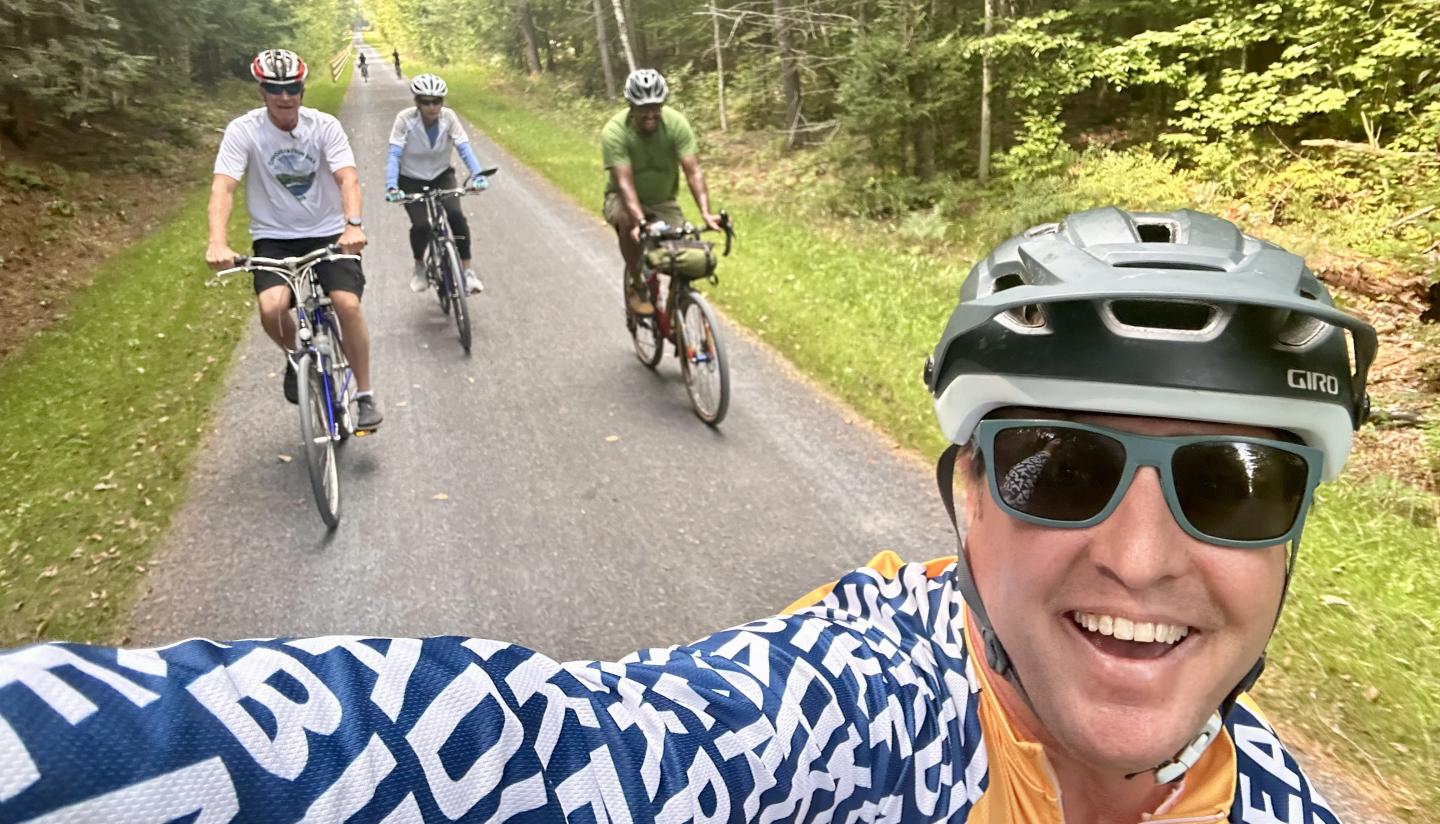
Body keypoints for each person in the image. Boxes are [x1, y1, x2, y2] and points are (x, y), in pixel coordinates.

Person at [0, 208, 1371, 821]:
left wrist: (701, 210)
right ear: (966, 495)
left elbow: (692, 170)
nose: (1140, 554)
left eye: (1233, 484)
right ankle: (641, 321)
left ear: (1298, 525)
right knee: (630, 261)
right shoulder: (850, 719)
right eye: (1059, 467)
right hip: (614, 205)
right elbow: (534, 753)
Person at [204, 48, 383, 432]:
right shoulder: (244, 131)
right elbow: (224, 187)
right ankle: (294, 358)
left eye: (292, 87)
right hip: (275, 238)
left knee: (346, 304)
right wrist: (217, 240)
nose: (284, 96)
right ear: (262, 91)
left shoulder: (324, 127)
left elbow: (347, 178)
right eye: (274, 88)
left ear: (302, 89)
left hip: (330, 233)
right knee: (271, 309)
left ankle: (365, 394)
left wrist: (353, 225)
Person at [603, 67, 720, 315]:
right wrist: (640, 222)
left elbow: (694, 172)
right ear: (631, 106)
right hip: (621, 199)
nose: (650, 113)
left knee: (682, 252)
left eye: (655, 106)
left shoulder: (676, 124)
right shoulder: (614, 132)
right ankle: (637, 282)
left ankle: (677, 310)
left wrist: (706, 213)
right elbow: (625, 184)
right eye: (643, 107)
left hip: (663, 202)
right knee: (627, 221)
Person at [384, 74, 489, 294]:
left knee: (456, 216)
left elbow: (463, 147)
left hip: (441, 174)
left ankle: (468, 271)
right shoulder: (404, 119)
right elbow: (394, 153)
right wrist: (392, 186)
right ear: (417, 102)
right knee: (421, 225)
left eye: (437, 101)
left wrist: (478, 175)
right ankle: (419, 266)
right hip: (411, 178)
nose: (432, 107)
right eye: (426, 102)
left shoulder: (449, 118)